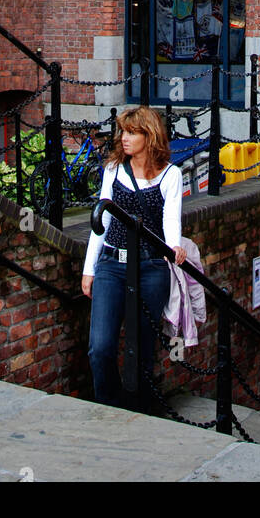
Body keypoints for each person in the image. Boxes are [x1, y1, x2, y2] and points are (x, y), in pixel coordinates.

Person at [83, 107, 186, 409]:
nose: (124, 139)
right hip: (112, 265)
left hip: (151, 266)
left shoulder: (170, 175)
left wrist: (174, 246)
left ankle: (139, 405)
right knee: (100, 347)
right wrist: (89, 269)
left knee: (141, 345)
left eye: (131, 133)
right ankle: (108, 404)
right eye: (123, 132)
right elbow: (99, 226)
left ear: (149, 136)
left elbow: (171, 221)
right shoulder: (114, 169)